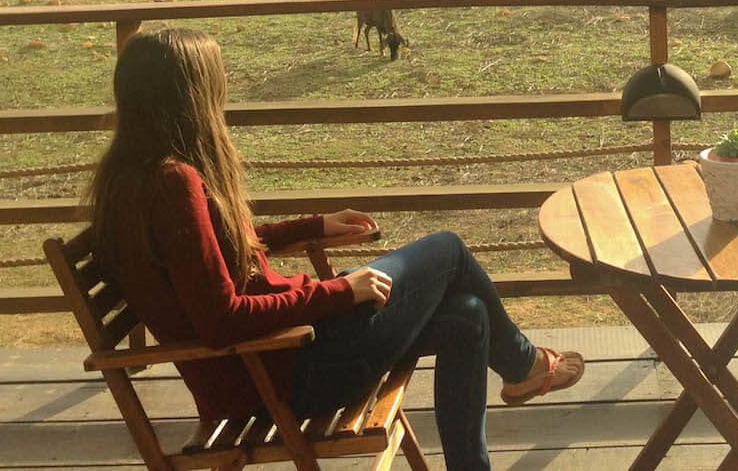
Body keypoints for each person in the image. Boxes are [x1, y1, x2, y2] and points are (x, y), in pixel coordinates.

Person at [87, 27, 584, 469]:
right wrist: (341, 292)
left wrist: (313, 225)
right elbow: (222, 318)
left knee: (468, 315)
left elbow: (217, 256)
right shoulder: (175, 183)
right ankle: (525, 367)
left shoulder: (129, 178)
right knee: (449, 250)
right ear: (189, 95)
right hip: (284, 372)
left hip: (281, 356)